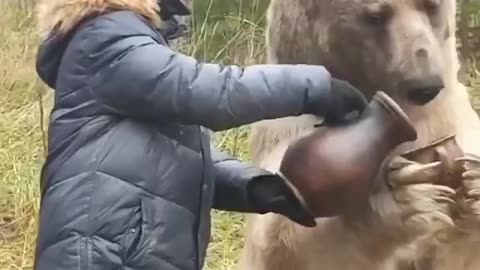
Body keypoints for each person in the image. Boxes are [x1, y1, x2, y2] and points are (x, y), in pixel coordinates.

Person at [33, 0, 368, 269]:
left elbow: (174, 153)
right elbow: (208, 91)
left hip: (123, 248)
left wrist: (254, 188)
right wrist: (315, 87)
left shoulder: (130, 45)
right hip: (100, 252)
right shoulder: (105, 37)